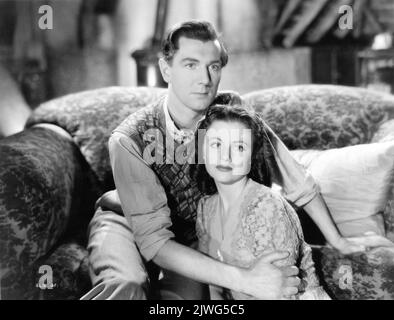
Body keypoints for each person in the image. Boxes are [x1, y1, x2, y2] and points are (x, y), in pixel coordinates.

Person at [80, 20, 382, 300]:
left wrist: (338, 240)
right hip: (127, 221)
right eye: (190, 65)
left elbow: (293, 177)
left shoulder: (230, 110)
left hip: (190, 234)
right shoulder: (129, 138)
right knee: (127, 284)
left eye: (213, 66)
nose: (204, 79)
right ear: (166, 69)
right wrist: (246, 280)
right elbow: (154, 242)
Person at [191, 104, 330, 300]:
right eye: (216, 144)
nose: (225, 156)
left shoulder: (268, 207)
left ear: (252, 157)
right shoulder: (206, 208)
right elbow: (213, 282)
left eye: (239, 147)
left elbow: (281, 292)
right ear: (203, 150)